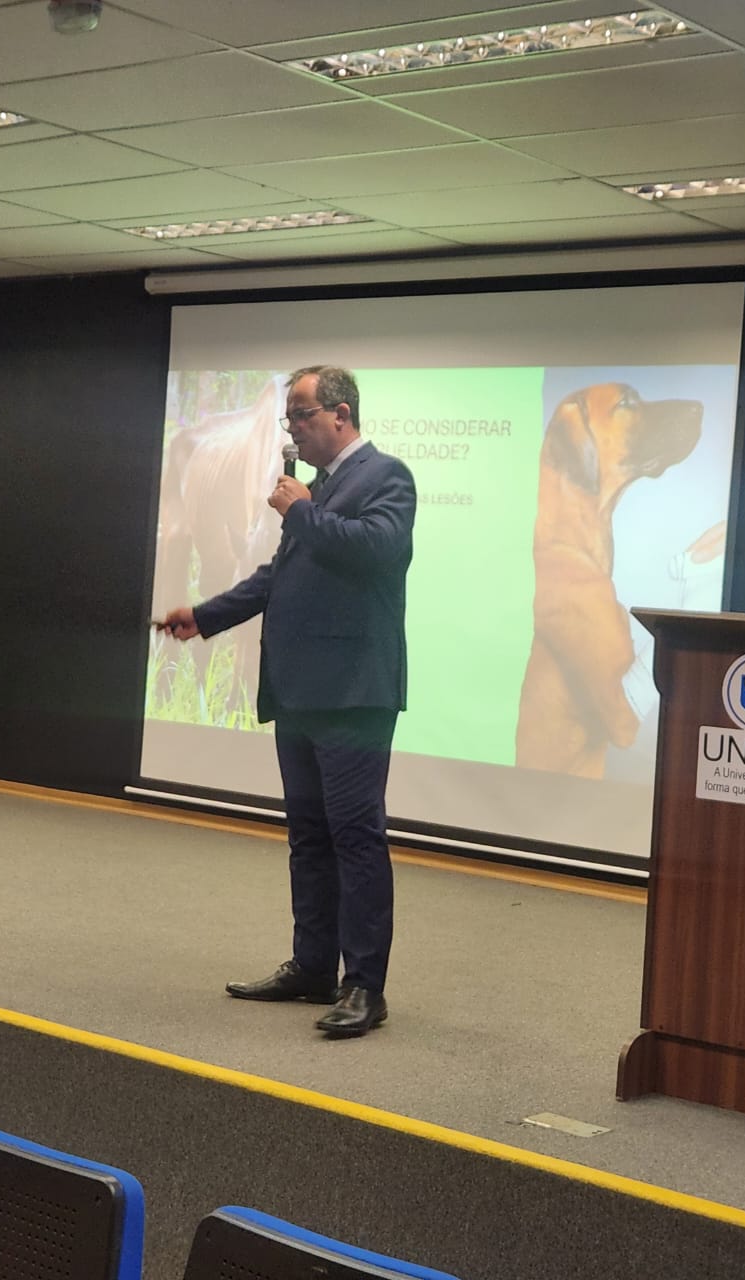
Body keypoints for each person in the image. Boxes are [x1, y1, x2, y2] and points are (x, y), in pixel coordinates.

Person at [159, 366, 416, 1037]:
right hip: (300, 691)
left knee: (355, 837)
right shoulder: (320, 488)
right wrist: (206, 616)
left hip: (353, 695)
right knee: (308, 835)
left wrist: (301, 510)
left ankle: (365, 986)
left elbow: (377, 551)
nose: (292, 429)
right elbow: (282, 575)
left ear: (340, 414)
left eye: (301, 415)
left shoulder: (386, 477)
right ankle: (313, 967)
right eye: (289, 417)